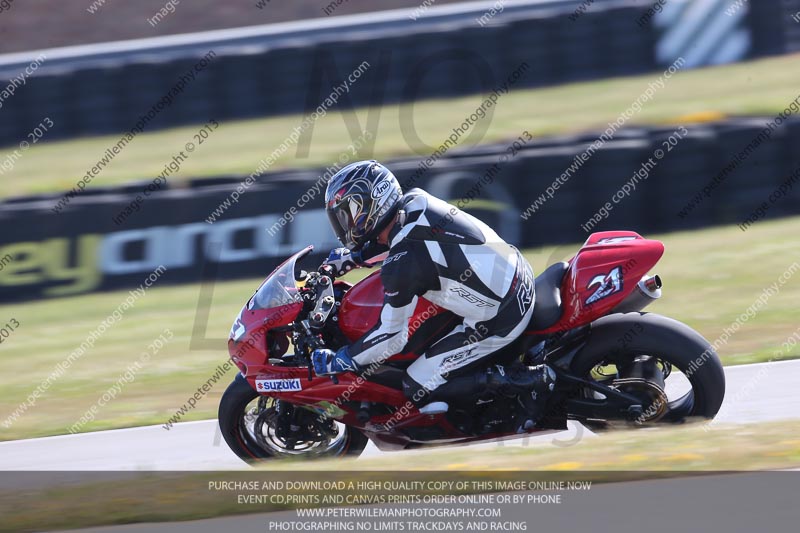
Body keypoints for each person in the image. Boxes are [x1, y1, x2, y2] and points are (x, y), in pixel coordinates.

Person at [311, 160, 554, 430]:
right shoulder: (415, 202)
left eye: (349, 213)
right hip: (517, 272)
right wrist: (355, 258)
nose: (345, 223)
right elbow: (406, 241)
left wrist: (345, 358)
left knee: (417, 384)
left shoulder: (402, 264)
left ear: (373, 203)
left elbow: (392, 337)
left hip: (502, 314)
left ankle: (530, 380)